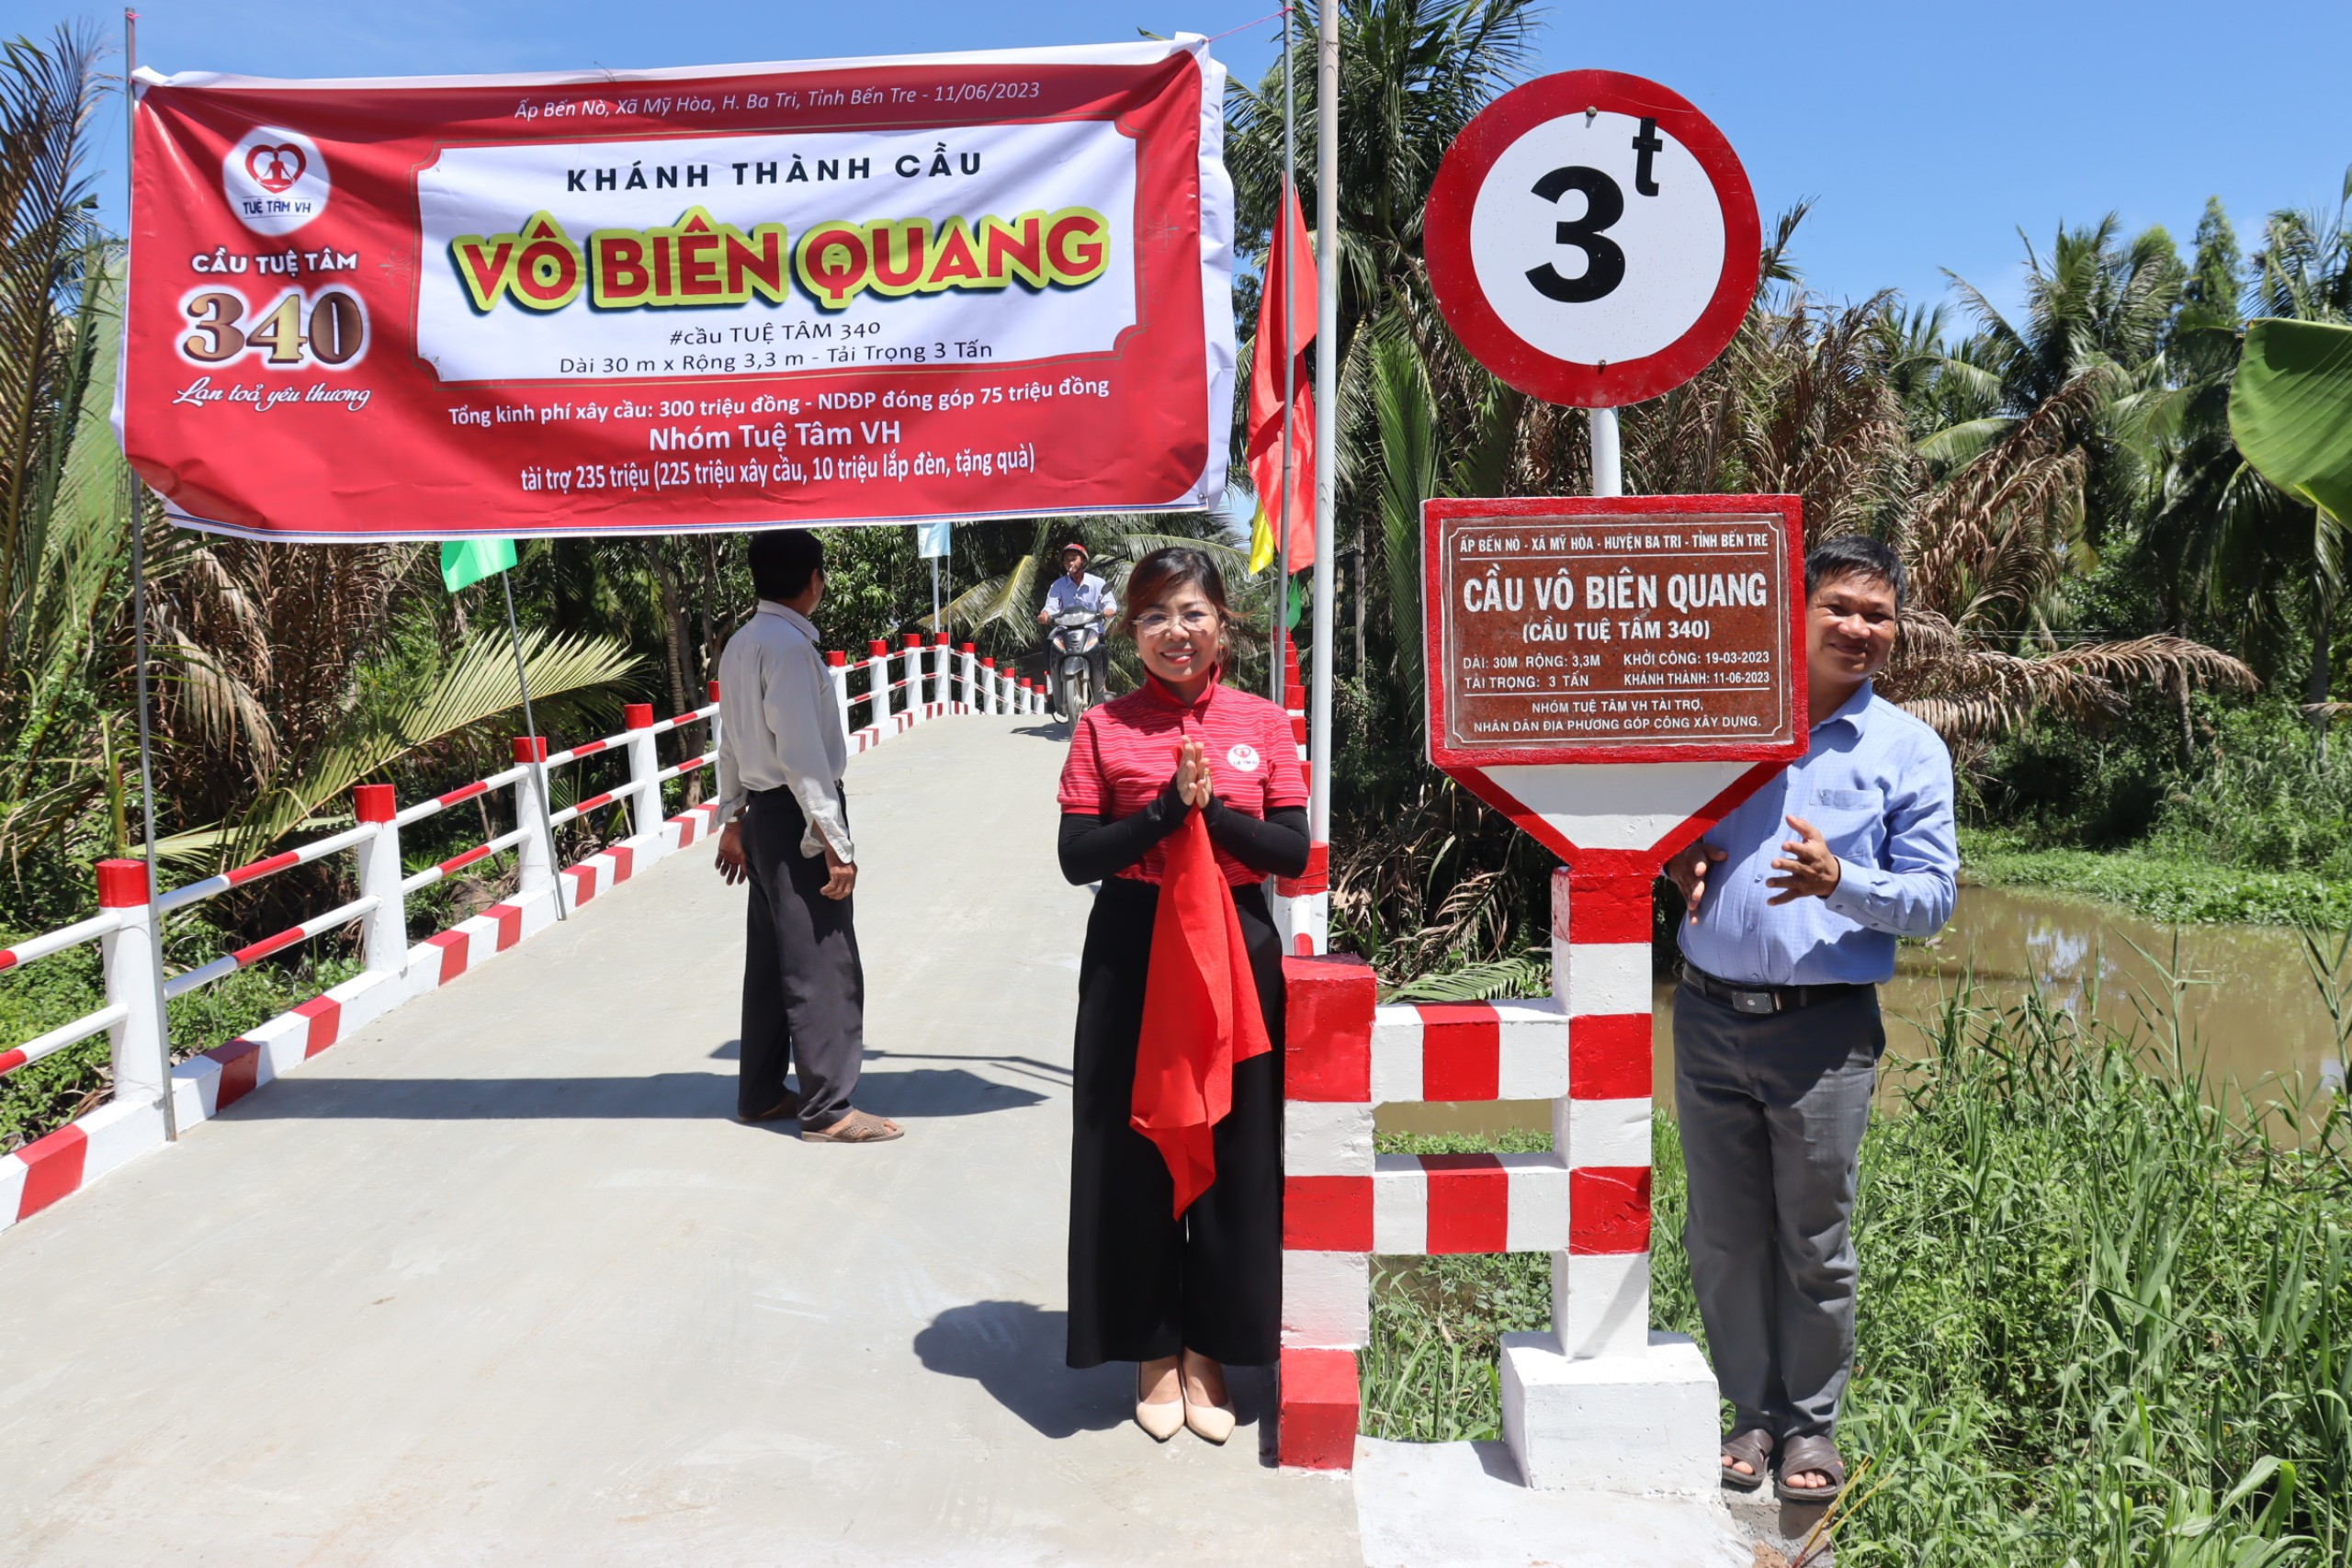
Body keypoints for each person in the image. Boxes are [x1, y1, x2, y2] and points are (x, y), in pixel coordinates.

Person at [1663, 535, 1957, 1503]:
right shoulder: (1725, 719)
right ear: (1796, 612)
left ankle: (1810, 1426)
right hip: (1707, 1018)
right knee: (1723, 1236)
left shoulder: (1907, 749)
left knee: (1815, 1241)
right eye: (1838, 606)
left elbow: (1933, 900)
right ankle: (1749, 1413)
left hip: (1823, 1034)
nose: (1857, 628)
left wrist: (1842, 881)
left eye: (1878, 615)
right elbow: (1668, 823)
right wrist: (1672, 857)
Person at [1055, 546, 1309, 1443]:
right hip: (1134, 949)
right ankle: (1151, 1346)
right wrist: (1164, 810)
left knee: (1236, 1148)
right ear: (1131, 630)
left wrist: (1213, 812)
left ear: (1222, 625)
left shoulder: (1261, 722)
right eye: (1156, 615)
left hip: (1235, 946)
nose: (1176, 631)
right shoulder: (1102, 727)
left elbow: (1291, 850)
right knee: (1131, 1152)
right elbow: (1076, 857)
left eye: (1192, 612)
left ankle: (1211, 1349)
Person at [711, 528, 902, 1145]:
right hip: (798, 818)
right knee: (824, 962)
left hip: (763, 817)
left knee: (772, 964)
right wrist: (835, 842)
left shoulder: (741, 644)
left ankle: (761, 1092)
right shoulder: (791, 649)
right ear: (814, 580)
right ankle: (827, 1108)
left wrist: (733, 819)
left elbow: (730, 742)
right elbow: (801, 756)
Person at [1036, 540, 1115, 713]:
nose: (1069, 562)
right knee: (1049, 644)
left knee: (1102, 648)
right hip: (1065, 629)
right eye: (1066, 560)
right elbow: (1051, 606)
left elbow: (1108, 601)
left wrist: (1109, 609)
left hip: (1092, 629)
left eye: (1074, 558)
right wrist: (1045, 614)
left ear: (1084, 561)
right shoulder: (1058, 585)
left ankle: (1103, 686)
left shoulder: (1097, 583)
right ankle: (1054, 687)